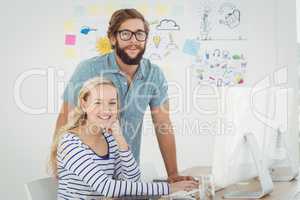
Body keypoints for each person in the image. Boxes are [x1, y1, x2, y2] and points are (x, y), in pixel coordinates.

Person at [55, 8, 192, 182]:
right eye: (126, 34)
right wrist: (60, 164)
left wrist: (173, 174)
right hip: (88, 174)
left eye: (139, 34)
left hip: (128, 176)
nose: (133, 41)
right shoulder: (88, 69)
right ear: (113, 38)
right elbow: (65, 118)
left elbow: (163, 124)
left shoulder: (154, 74)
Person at [50, 77, 198, 199]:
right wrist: (168, 188)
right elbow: (106, 187)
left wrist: (120, 138)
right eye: (98, 102)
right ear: (84, 104)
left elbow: (132, 180)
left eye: (112, 103)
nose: (106, 109)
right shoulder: (70, 143)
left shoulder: (109, 138)